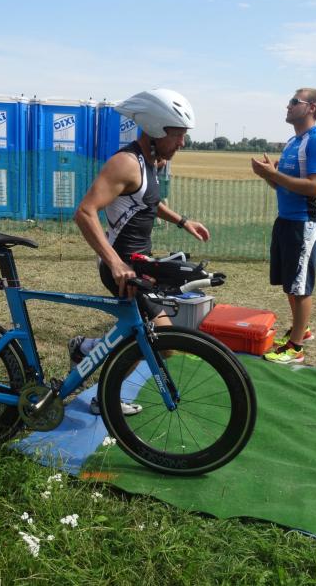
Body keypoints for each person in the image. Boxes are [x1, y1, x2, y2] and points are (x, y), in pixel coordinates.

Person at [73, 88, 210, 415]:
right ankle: (102, 391)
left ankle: (88, 350)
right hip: (122, 269)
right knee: (159, 339)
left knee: (145, 336)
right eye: (178, 134)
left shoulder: (151, 162)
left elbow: (148, 200)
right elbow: (85, 212)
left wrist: (183, 221)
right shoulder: (125, 164)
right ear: (156, 128)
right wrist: (115, 263)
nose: (183, 142)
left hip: (140, 265)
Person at [251, 88, 316, 364]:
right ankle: (302, 329)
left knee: (300, 287)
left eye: (294, 102)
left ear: (312, 107)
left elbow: (314, 186)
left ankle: (296, 347)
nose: (288, 106)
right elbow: (282, 185)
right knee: (290, 283)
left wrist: (274, 175)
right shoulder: (292, 142)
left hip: (305, 224)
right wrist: (267, 175)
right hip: (285, 220)